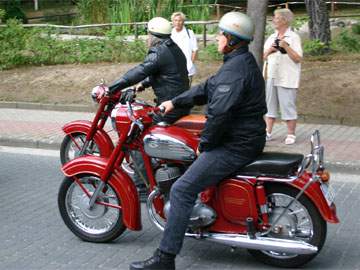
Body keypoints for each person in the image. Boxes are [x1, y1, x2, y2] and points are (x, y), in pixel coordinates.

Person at [129, 12, 267, 270]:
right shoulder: (239, 62)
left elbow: (219, 113)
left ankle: (165, 259)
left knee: (181, 190)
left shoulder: (235, 70)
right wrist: (175, 101)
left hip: (237, 144)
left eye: (221, 34)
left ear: (232, 39)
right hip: (247, 137)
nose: (217, 38)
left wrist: (205, 143)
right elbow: (206, 88)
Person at [107, 17, 190, 197]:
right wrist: (141, 85)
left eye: (148, 34)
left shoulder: (158, 51)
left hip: (170, 108)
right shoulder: (172, 48)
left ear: (154, 35)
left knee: (136, 139)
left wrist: (112, 87)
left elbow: (141, 70)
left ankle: (143, 188)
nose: (147, 37)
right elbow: (160, 73)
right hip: (179, 103)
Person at [263, 8, 303, 145]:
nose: (274, 20)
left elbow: (298, 58)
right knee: (269, 105)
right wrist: (271, 50)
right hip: (272, 76)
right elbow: (262, 56)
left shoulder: (293, 37)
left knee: (288, 105)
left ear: (284, 20)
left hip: (287, 77)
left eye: (276, 17)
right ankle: (267, 132)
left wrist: (286, 47)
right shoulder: (271, 37)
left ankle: (291, 134)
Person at [171, 11, 198, 86]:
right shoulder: (170, 34)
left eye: (180, 20)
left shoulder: (189, 33)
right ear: (172, 22)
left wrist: (191, 63)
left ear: (183, 21)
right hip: (173, 68)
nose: (177, 23)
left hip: (187, 68)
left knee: (186, 89)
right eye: (175, 20)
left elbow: (195, 50)